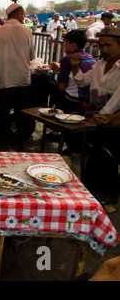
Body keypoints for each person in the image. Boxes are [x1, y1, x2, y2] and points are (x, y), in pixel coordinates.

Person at [70, 26, 120, 213]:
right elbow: (82, 81)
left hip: (114, 122)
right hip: (98, 118)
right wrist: (75, 66)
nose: (103, 50)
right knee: (74, 138)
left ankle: (108, 197)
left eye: (108, 46)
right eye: (100, 46)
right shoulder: (99, 65)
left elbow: (116, 101)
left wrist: (103, 117)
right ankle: (87, 192)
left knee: (104, 153)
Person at [0, 3, 35, 146]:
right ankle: (21, 140)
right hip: (21, 79)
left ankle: (3, 141)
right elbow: (31, 56)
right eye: (24, 14)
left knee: (3, 112)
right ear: (19, 14)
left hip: (3, 79)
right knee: (21, 112)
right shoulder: (27, 32)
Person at [49, 30, 96, 113]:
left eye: (66, 42)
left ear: (73, 45)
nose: (64, 45)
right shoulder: (91, 58)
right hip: (87, 100)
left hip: (72, 101)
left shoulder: (67, 59)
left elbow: (61, 87)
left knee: (48, 81)